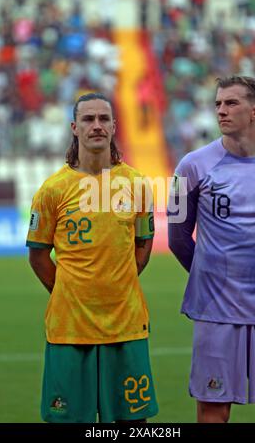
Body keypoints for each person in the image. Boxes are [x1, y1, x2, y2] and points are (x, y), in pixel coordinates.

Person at [26, 92, 158, 423]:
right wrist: (71, 290)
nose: (96, 126)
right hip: (69, 328)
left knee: (133, 424)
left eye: (103, 119)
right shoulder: (52, 190)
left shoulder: (136, 184)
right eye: (88, 119)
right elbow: (38, 254)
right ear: (74, 127)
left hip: (126, 325)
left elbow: (144, 242)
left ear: (114, 126)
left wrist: (118, 281)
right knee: (69, 421)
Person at [168, 76, 255, 423]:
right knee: (214, 411)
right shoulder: (189, 166)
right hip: (216, 310)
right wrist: (212, 277)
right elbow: (176, 237)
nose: (221, 110)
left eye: (231, 103)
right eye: (218, 104)